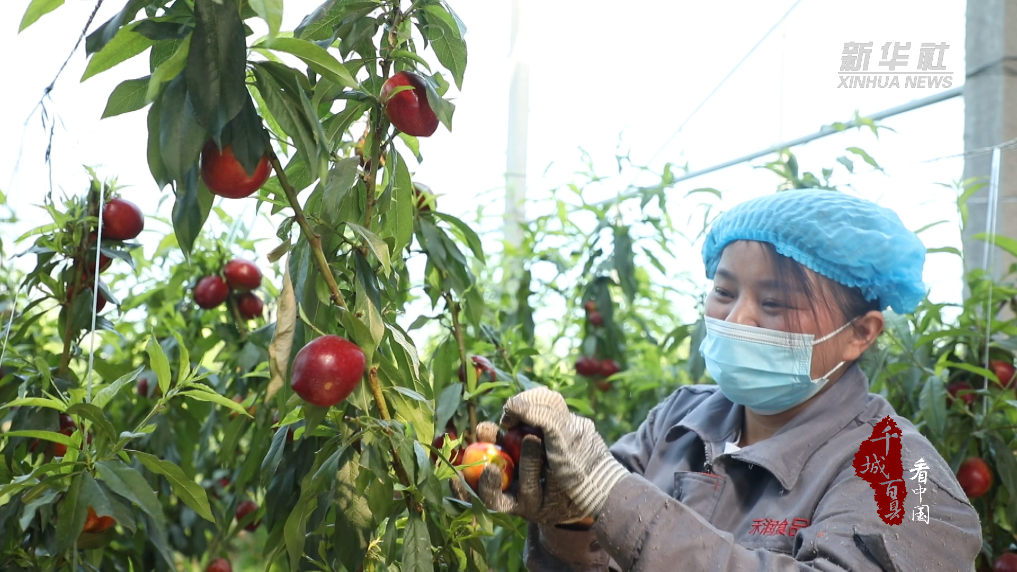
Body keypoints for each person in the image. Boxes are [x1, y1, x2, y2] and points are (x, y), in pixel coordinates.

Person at [454, 190, 982, 571]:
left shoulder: (903, 475)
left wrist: (609, 493)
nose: (737, 318)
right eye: (724, 293)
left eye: (774, 303)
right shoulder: (680, 420)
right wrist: (571, 523)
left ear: (860, 334)